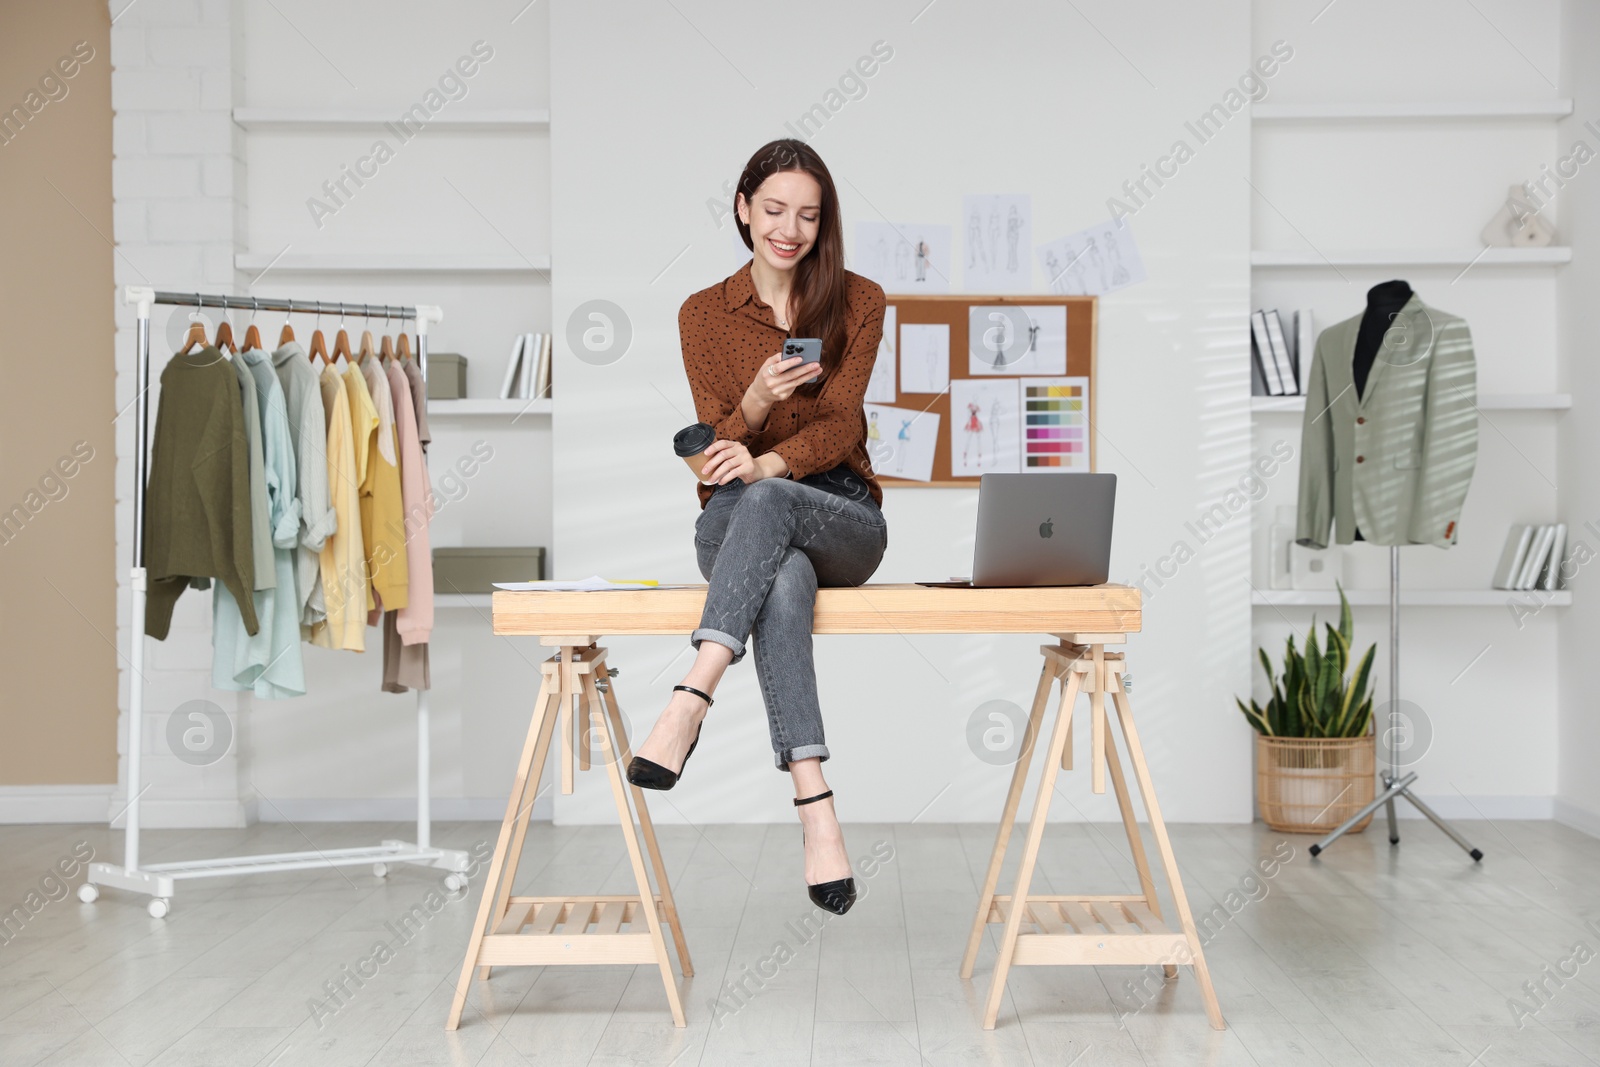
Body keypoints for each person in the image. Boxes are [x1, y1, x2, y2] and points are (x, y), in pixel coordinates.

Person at [626, 138, 888, 916]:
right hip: (736, 524)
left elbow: (842, 426)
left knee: (773, 502)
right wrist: (756, 401)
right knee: (782, 576)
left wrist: (771, 463)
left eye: (808, 215)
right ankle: (818, 806)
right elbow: (713, 436)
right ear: (742, 209)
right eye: (774, 209)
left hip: (841, 512)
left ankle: (689, 698)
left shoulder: (860, 300)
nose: (790, 228)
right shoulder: (702, 314)